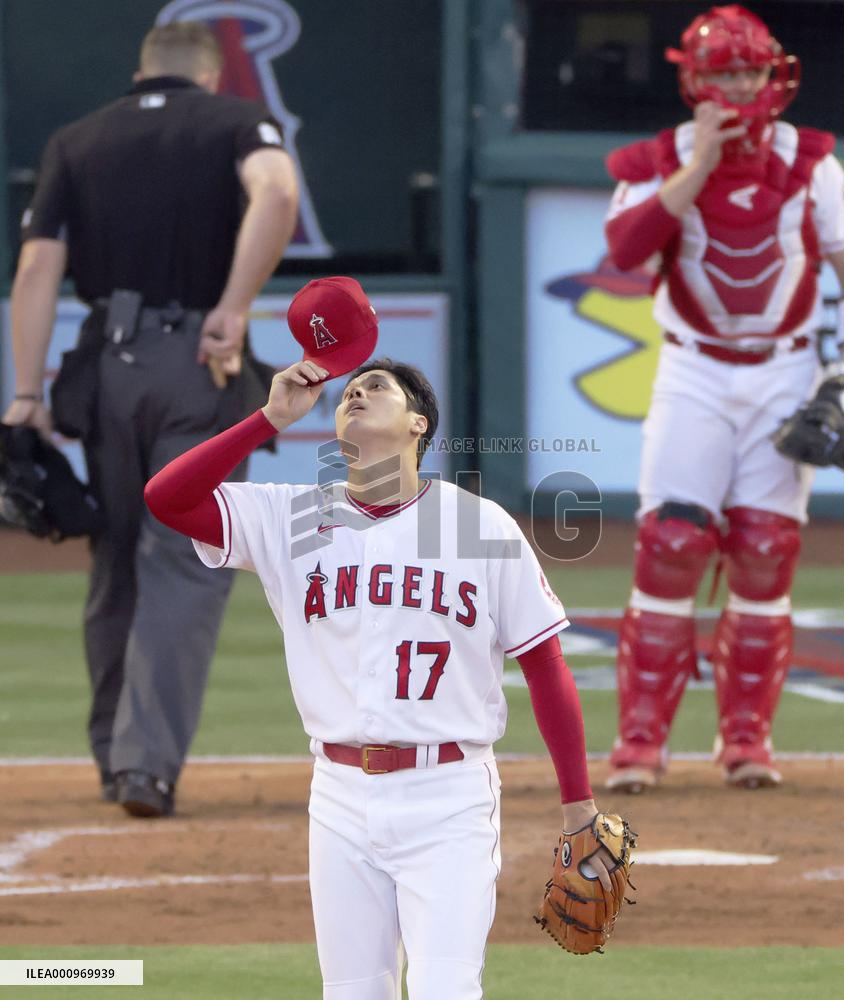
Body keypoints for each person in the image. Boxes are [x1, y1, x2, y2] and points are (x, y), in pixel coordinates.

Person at [143, 296, 618, 997]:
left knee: (445, 990)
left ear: (418, 423)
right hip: (338, 797)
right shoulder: (291, 517)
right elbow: (167, 497)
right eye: (349, 392)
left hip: (450, 796)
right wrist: (269, 419)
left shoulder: (479, 525)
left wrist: (578, 804)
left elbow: (545, 666)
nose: (355, 393)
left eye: (378, 387)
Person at [2, 21, 299, 816]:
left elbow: (35, 267)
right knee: (184, 558)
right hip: (199, 363)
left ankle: (113, 758)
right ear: (211, 73)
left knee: (116, 558)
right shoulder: (237, 121)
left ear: (141, 71)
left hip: (107, 364)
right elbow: (277, 192)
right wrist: (233, 307)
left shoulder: (77, 139)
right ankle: (146, 768)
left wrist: (26, 392)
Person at [602, 4, 844, 792]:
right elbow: (625, 251)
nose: (742, 86)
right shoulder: (659, 160)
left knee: (764, 550)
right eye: (725, 72)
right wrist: (698, 164)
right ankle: (640, 743)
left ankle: (747, 741)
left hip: (783, 370)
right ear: (694, 81)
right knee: (672, 544)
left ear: (773, 73)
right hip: (693, 368)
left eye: (752, 70)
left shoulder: (811, 162)